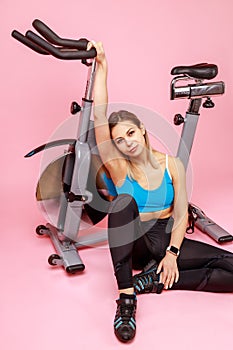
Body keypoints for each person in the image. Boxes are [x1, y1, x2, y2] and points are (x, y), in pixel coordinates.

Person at [87, 41, 233, 343]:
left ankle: (153, 282)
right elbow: (100, 119)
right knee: (123, 202)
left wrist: (172, 254)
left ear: (142, 129)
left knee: (229, 267)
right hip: (137, 239)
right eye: (119, 140)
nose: (127, 142)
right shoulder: (120, 168)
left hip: (166, 235)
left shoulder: (172, 165)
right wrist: (102, 66)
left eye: (130, 133)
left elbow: (181, 216)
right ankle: (126, 299)